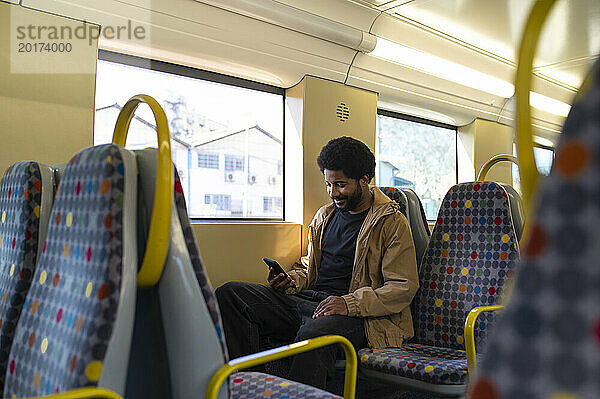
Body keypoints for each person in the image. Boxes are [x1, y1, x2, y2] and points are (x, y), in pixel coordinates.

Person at [215, 136, 419, 389]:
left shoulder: (391, 222)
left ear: (364, 180)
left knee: (315, 335)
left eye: (341, 185)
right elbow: (308, 267)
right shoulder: (325, 216)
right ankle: (253, 388)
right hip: (311, 301)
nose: (333, 193)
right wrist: (291, 281)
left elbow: (402, 288)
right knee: (231, 294)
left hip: (360, 316)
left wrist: (348, 303)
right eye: (328, 184)